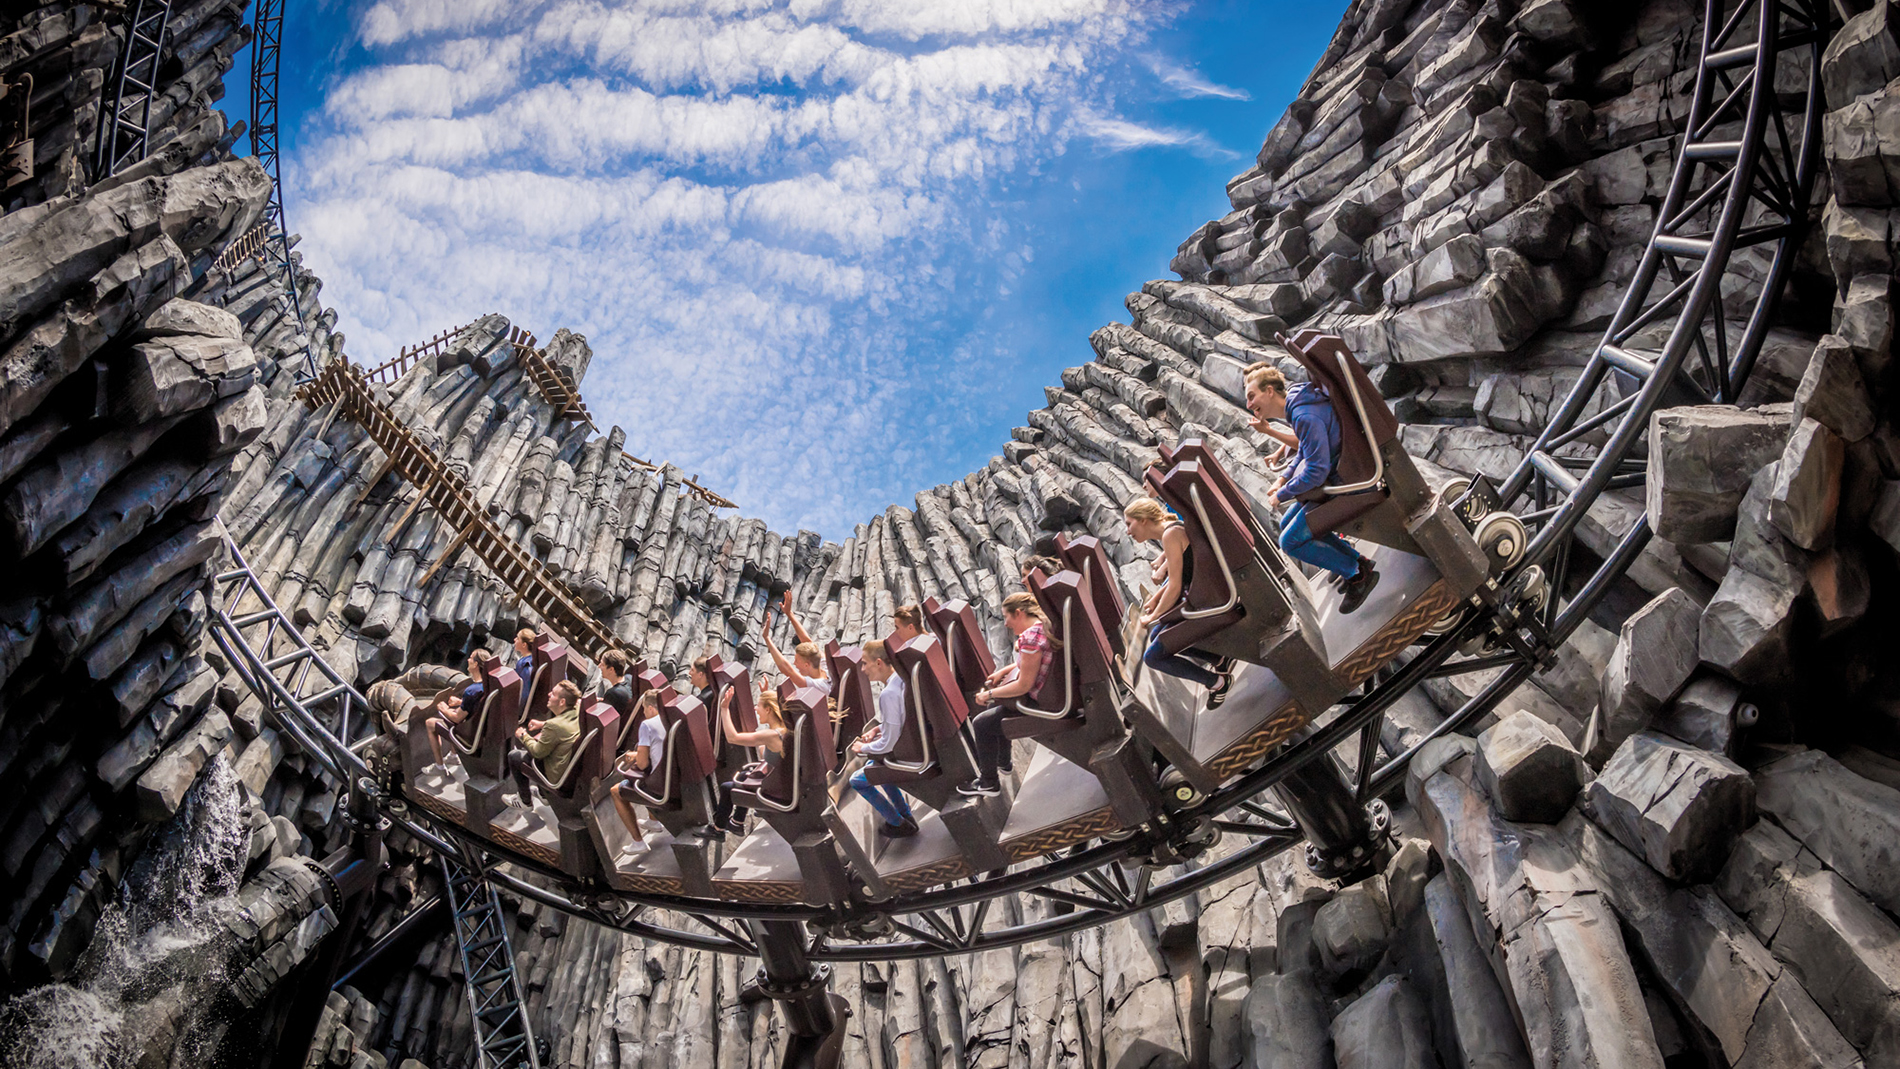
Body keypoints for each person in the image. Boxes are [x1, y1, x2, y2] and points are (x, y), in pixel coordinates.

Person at [1244, 364, 1381, 613]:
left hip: (1346, 484)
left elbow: (1316, 472)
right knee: (1287, 524)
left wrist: (1282, 495)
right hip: (1338, 477)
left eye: (1252, 396)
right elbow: (1305, 452)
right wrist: (1283, 479)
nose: (1249, 404)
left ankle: (1358, 574)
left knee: (1290, 542)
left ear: (1270, 391)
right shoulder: (1297, 405)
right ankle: (1354, 561)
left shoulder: (1304, 415)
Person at [1125, 496, 1235, 706]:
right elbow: (1180, 574)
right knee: (1158, 635)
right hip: (1205, 592)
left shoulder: (1171, 535)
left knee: (1153, 657)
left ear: (1144, 520)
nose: (1128, 531)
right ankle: (1220, 659)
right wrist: (1156, 599)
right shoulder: (1171, 530)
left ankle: (1218, 683)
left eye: (1130, 524)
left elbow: (1175, 586)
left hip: (1209, 601)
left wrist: (1153, 617)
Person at [957, 592, 1058, 797]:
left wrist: (990, 694)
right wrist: (1003, 672)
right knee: (994, 709)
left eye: (1007, 617)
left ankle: (989, 782)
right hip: (1045, 692)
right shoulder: (1043, 626)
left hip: (1037, 703)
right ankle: (1004, 762)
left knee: (981, 723)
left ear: (1019, 613)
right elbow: (1029, 664)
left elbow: (1023, 685)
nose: (1005, 624)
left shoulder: (1030, 639)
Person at [847, 640, 919, 837]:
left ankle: (897, 823)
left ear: (879, 663)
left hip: (904, 753)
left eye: (864, 663)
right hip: (909, 743)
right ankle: (905, 814)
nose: (862, 669)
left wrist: (863, 747)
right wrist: (877, 729)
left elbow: (889, 743)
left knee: (857, 780)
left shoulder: (888, 694)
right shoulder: (900, 680)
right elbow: (897, 721)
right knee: (875, 763)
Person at [507, 679, 582, 809]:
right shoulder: (576, 709)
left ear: (562, 702)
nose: (548, 694)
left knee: (515, 756)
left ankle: (524, 801)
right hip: (568, 765)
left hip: (556, 776)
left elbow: (537, 752)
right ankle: (543, 795)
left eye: (553, 694)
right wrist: (542, 724)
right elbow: (562, 725)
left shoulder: (554, 726)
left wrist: (523, 736)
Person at [718, 683, 790, 817]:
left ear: (768, 710)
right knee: (745, 775)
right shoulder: (785, 728)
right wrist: (766, 693)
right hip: (783, 783)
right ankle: (737, 822)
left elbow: (732, 738)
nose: (755, 709)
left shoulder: (771, 735)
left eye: (759, 706)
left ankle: (718, 829)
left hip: (778, 791)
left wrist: (724, 708)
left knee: (727, 787)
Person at [609, 691, 666, 852]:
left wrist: (635, 758)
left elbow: (642, 764)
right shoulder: (671, 718)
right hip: (671, 776)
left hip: (657, 784)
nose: (643, 713)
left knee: (616, 791)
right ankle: (653, 821)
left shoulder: (647, 725)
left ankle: (638, 842)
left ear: (651, 708)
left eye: (644, 709)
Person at [424, 650, 488, 771]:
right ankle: (453, 756)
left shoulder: (471, 691)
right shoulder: (488, 684)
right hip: (484, 729)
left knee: (430, 723)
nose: (468, 660)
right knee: (456, 711)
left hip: (471, 736)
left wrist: (443, 709)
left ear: (475, 664)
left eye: (470, 658)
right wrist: (460, 702)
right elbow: (477, 704)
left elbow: (457, 718)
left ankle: (439, 766)